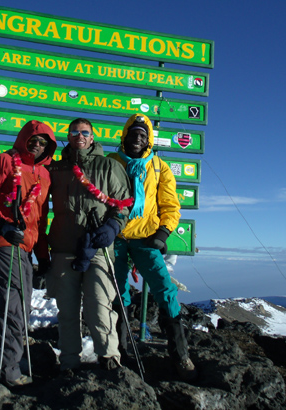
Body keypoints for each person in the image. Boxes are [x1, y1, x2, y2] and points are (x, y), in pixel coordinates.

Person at [108, 113, 197, 381]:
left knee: (165, 289)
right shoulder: (111, 163)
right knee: (118, 294)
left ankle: (181, 355)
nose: (137, 138)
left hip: (147, 239)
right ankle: (120, 354)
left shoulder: (159, 166)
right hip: (117, 238)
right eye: (133, 133)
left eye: (142, 135)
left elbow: (170, 204)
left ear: (148, 140)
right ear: (125, 135)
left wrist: (164, 231)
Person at [0, 120, 56, 387]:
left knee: (21, 309)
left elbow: (40, 219)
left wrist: (43, 256)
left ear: (49, 146)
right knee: (11, 311)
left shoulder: (45, 174)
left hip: (26, 249)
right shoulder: (3, 161)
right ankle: (6, 373)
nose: (38, 145)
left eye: (43, 142)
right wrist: (0, 223)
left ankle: (2, 366)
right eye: (33, 140)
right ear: (23, 140)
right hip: (2, 242)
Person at [46, 118, 132, 371]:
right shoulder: (58, 169)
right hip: (63, 247)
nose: (79, 136)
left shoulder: (109, 166)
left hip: (99, 248)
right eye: (74, 131)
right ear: (69, 136)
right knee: (68, 311)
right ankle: (69, 363)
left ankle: (109, 359)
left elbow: (124, 205)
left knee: (99, 306)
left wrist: (113, 227)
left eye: (85, 132)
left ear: (92, 137)